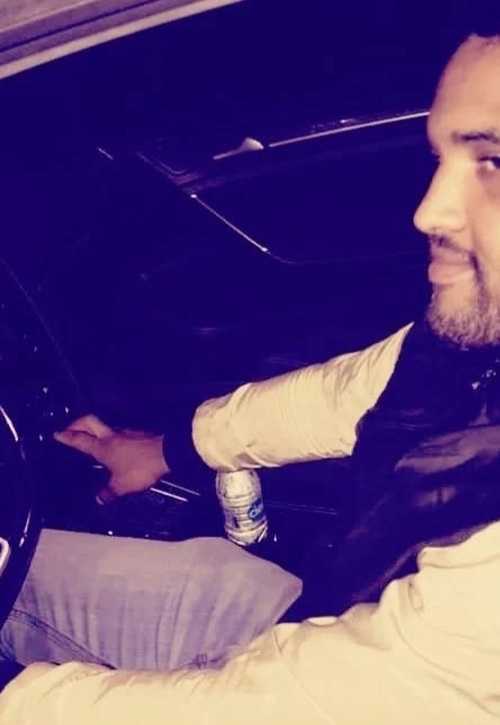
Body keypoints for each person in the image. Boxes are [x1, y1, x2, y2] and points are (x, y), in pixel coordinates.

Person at [2, 18, 500, 725]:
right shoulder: (476, 346)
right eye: (441, 156)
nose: (429, 212)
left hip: (361, 689)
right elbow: (359, 390)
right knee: (92, 574)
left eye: (493, 162)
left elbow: (330, 703)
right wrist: (169, 449)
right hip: (344, 627)